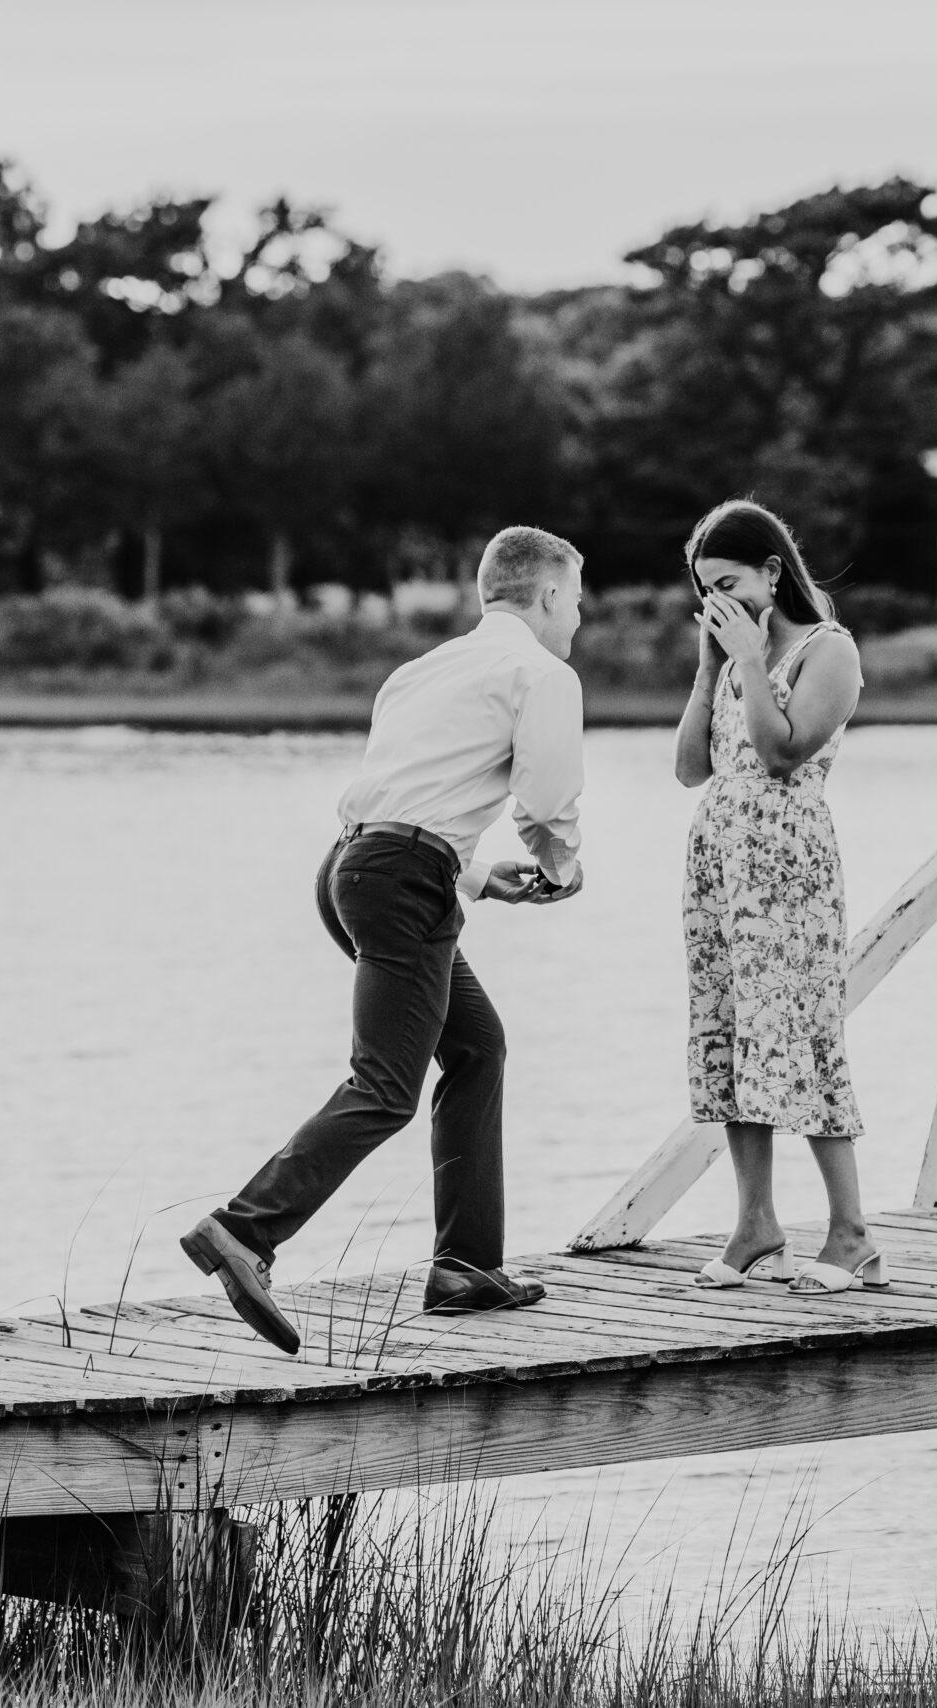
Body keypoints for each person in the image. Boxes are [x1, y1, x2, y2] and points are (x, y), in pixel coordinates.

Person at [183, 526, 587, 1353]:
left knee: (477, 1048)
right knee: (385, 1087)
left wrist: (476, 878)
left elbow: (403, 798)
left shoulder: (421, 671)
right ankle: (245, 1228)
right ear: (546, 596)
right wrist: (562, 864)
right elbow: (545, 800)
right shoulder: (542, 673)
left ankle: (466, 1267)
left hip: (356, 870)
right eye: (575, 600)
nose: (577, 619)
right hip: (402, 881)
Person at [674, 498, 885, 1295]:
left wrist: (752, 660)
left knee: (801, 1032)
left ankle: (854, 1235)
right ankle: (757, 1229)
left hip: (787, 867)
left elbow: (781, 751)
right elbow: (692, 768)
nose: (718, 603)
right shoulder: (732, 660)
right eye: (706, 592)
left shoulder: (828, 651)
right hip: (719, 867)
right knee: (731, 1036)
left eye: (729, 583)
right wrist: (709, 667)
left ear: (771, 571)